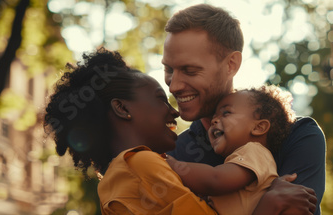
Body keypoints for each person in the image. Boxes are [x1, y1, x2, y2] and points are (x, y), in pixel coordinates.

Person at [162, 4, 326, 214]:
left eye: (190, 70)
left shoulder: (298, 135)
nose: (173, 85)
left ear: (231, 64)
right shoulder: (175, 152)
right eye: (168, 69)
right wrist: (269, 204)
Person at [44, 48, 217, 215]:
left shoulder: (110, 183)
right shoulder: (140, 162)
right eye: (161, 99)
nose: (175, 112)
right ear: (121, 108)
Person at [166, 86, 296, 215]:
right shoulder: (237, 160)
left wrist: (171, 164)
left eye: (226, 113)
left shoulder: (255, 152)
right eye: (214, 116)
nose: (214, 121)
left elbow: (215, 180)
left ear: (259, 127)